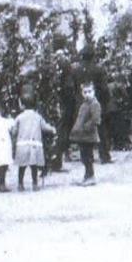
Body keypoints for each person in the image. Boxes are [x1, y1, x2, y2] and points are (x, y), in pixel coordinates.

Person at [72, 45, 111, 164]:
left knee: (83, 128)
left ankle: (87, 156)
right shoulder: (99, 69)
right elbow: (104, 89)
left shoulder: (75, 70)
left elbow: (73, 88)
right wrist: (105, 101)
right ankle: (104, 155)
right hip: (96, 102)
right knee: (100, 129)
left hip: (81, 103)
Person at [13, 84, 56, 191]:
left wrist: (12, 134)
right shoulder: (38, 117)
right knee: (34, 166)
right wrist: (53, 129)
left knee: (22, 166)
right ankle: (35, 184)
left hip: (22, 145)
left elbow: (14, 130)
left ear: (22, 105)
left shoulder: (19, 117)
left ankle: (20, 184)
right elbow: (45, 127)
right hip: (35, 145)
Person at [50, 37, 77, 172]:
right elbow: (69, 84)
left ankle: (56, 159)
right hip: (63, 101)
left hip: (55, 100)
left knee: (59, 129)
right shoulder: (64, 62)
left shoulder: (52, 61)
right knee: (62, 129)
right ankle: (58, 160)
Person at [71, 82, 102, 186]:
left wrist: (85, 127)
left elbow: (96, 119)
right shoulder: (84, 104)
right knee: (84, 157)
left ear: (94, 92)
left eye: (90, 91)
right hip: (82, 136)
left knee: (88, 157)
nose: (87, 94)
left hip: (89, 135)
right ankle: (87, 176)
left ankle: (91, 176)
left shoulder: (95, 104)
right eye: (85, 92)